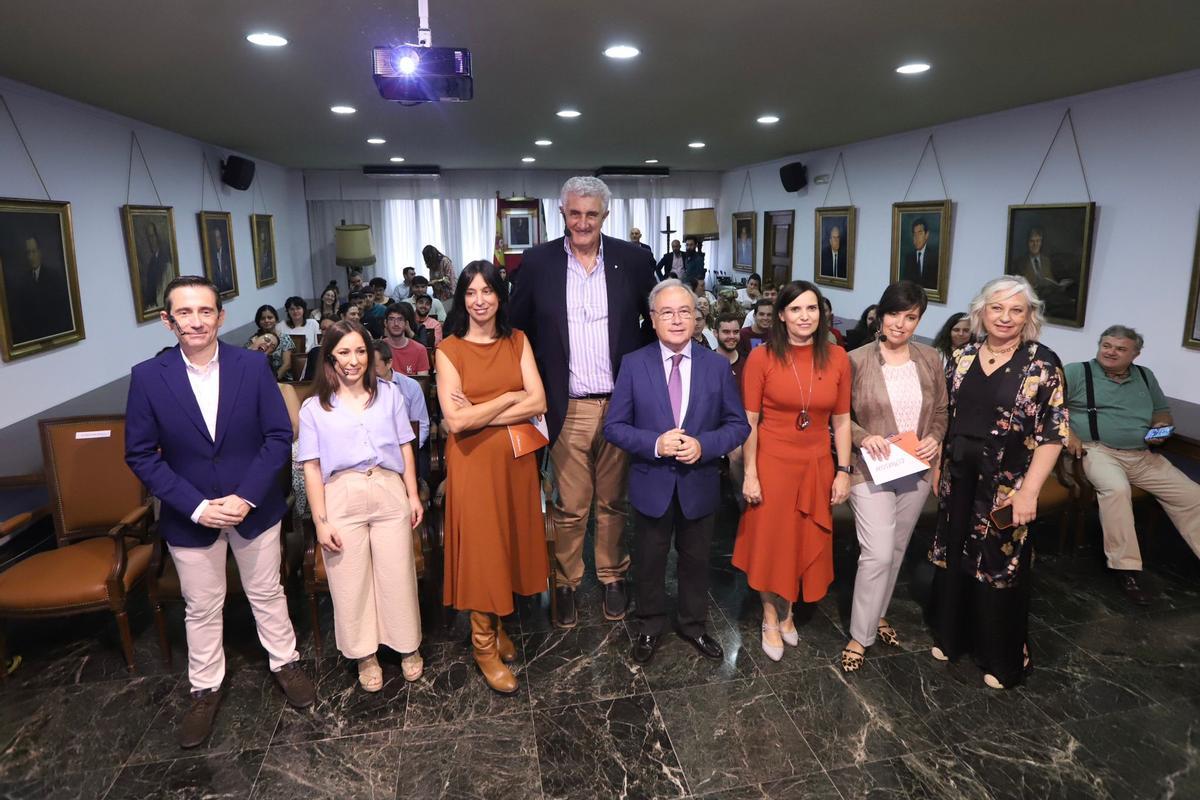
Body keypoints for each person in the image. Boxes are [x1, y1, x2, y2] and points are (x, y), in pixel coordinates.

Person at [124, 276, 315, 748]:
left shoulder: (251, 367)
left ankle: (285, 663)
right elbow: (142, 455)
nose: (196, 321)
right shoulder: (148, 377)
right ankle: (205, 689)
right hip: (191, 516)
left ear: (221, 317)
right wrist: (196, 505)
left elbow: (277, 436)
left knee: (267, 591)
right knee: (201, 606)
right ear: (168, 321)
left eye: (205, 311)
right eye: (184, 313)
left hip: (252, 507)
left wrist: (246, 496)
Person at [510, 176, 655, 627]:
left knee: (613, 502)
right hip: (566, 407)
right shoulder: (537, 263)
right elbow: (517, 333)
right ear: (563, 214)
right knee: (571, 506)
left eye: (592, 214)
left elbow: (653, 323)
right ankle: (568, 581)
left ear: (605, 215)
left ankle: (612, 575)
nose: (583, 222)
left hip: (621, 407)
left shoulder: (633, 259)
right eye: (576, 213)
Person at [928, 276, 1068, 690]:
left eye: (1016, 310)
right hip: (959, 477)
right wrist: (939, 464)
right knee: (954, 555)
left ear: (1029, 316)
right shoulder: (964, 355)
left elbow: (1053, 434)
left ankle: (1003, 656)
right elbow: (948, 417)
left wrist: (1029, 491)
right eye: (997, 308)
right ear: (981, 312)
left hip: (1007, 485)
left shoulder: (1042, 363)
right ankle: (953, 638)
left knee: (999, 565)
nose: (1005, 317)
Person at [604, 279, 750, 664]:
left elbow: (738, 426)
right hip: (651, 484)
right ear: (653, 319)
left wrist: (705, 446)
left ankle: (693, 624)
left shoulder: (717, 367)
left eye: (685, 311)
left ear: (697, 319)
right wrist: (655, 443)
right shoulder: (634, 365)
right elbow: (614, 427)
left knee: (696, 560)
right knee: (649, 561)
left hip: (699, 485)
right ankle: (650, 624)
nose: (676, 319)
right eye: (667, 312)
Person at [437, 260, 550, 693]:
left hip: (516, 464)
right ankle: (482, 644)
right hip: (472, 465)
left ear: (500, 296)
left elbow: (538, 401)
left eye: (487, 291)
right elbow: (456, 423)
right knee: (484, 547)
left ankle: (496, 622)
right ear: (462, 298)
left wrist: (481, 410)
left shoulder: (517, 340)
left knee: (505, 542)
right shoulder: (448, 349)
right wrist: (508, 396)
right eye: (470, 292)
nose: (479, 300)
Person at [297, 320, 425, 690]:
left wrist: (413, 494)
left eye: (359, 351)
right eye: (343, 352)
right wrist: (320, 522)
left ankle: (406, 646)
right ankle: (365, 655)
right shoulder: (314, 408)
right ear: (330, 358)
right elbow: (312, 468)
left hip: (387, 488)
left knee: (397, 574)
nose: (352, 361)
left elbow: (405, 446)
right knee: (349, 582)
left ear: (369, 355)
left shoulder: (389, 394)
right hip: (342, 493)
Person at [732, 280, 852, 662]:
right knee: (771, 541)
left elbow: (844, 421)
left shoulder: (837, 358)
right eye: (796, 309)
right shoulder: (761, 358)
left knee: (801, 538)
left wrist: (844, 470)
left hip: (816, 462)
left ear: (821, 314)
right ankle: (770, 614)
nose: (805, 316)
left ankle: (789, 611)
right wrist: (750, 472)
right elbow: (749, 420)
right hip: (772, 462)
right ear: (781, 315)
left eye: (812, 309)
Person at [841, 281, 948, 672]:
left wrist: (935, 439)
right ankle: (859, 634)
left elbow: (940, 411)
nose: (901, 324)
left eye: (912, 317)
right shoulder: (854, 360)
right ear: (880, 315)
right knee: (878, 552)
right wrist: (864, 436)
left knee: (898, 549)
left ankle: (877, 615)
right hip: (868, 469)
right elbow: (837, 419)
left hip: (916, 468)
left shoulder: (931, 358)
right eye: (894, 314)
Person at [1063, 326, 1200, 604]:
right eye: (1107, 345)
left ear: (1135, 354)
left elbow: (1162, 411)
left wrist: (1162, 426)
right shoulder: (1077, 372)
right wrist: (1069, 433)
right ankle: (1126, 569)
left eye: (1120, 348)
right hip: (1096, 450)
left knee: (1192, 495)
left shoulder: (1145, 376)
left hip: (1141, 454)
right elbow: (1049, 407)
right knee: (1116, 490)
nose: (1111, 352)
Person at [373, 341, 432, 480]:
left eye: (374, 366)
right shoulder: (363, 388)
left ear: (388, 363)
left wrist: (408, 450)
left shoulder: (411, 387)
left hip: (408, 448)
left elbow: (422, 426)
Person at [5, 234, 74, 343]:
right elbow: (21, 314)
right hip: (31, 337)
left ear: (40, 252)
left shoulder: (54, 277)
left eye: (34, 251)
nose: (31, 256)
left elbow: (62, 313)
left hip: (53, 335)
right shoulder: (23, 281)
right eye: (28, 253)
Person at [1010, 226, 1076, 319]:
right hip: (1030, 300)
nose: (1035, 244)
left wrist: (1059, 286)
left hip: (1047, 300)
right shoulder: (1020, 262)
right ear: (1027, 243)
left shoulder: (1046, 261)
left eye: (1038, 241)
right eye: (1032, 241)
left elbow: (1050, 280)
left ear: (1041, 243)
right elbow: (1016, 286)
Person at [381, 304, 430, 376]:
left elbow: (422, 383)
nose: (396, 324)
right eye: (391, 319)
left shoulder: (420, 349)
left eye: (400, 319)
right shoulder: (377, 349)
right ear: (385, 323)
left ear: (406, 324)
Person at [249, 305, 294, 381]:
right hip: (259, 378)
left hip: (282, 378)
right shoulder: (254, 339)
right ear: (258, 321)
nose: (266, 321)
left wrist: (273, 380)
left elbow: (287, 365)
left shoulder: (284, 338)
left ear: (276, 319)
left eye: (270, 317)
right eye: (263, 318)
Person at [140, 222, 173, 313]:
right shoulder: (152, 262)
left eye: (152, 236)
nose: (151, 241)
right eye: (148, 237)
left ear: (157, 236)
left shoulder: (165, 260)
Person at [899, 218, 938, 289]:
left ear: (926, 235)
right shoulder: (909, 257)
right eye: (914, 234)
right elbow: (905, 284)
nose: (916, 238)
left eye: (920, 233)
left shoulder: (935, 258)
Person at [207, 226, 235, 294]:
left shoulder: (228, 256)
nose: (217, 241)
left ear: (221, 239)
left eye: (218, 238)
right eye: (214, 238)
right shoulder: (210, 258)